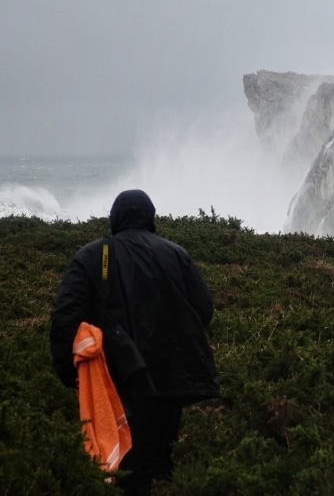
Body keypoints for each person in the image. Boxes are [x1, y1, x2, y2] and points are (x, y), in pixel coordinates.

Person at [51, 189, 220, 495]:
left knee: (120, 463)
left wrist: (69, 372)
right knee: (159, 461)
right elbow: (204, 310)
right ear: (150, 219)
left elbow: (65, 316)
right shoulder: (176, 254)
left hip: (117, 378)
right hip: (171, 378)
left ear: (114, 219)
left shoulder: (92, 255)